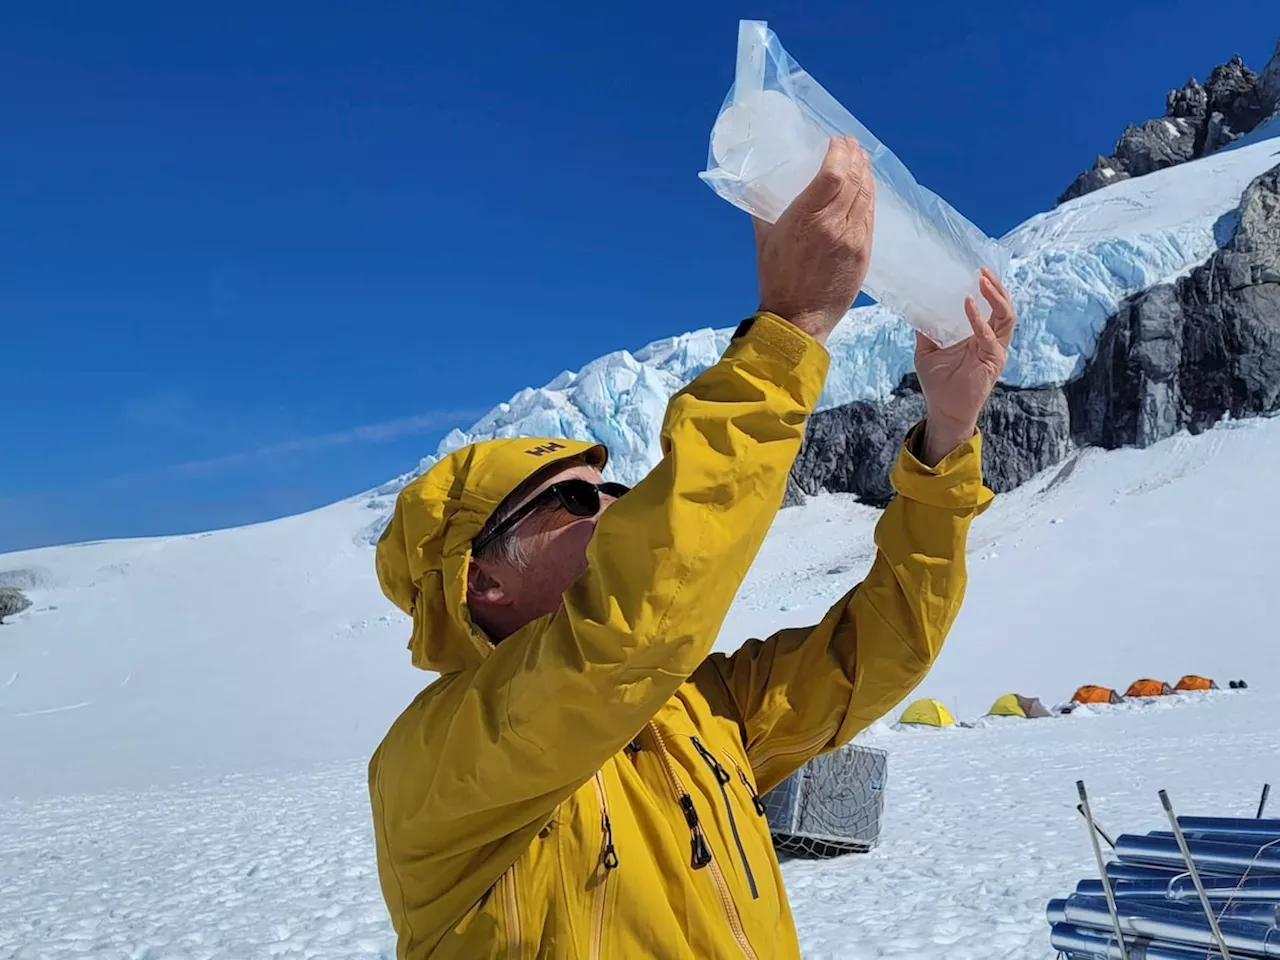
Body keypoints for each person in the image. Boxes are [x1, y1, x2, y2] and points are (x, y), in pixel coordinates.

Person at [369, 135, 1016, 960]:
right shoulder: (433, 761)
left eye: (618, 490)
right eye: (571, 500)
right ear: (480, 580)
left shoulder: (702, 708)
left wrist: (947, 438)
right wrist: (788, 335)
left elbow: (880, 652)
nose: (616, 507)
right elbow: (628, 637)